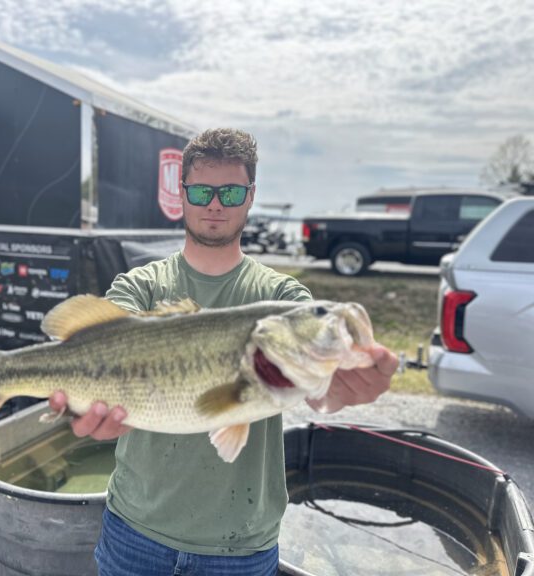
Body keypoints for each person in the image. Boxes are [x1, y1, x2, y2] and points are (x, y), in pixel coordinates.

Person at [49, 128, 398, 576]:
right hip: (134, 532)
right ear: (182, 195)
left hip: (241, 549)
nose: (215, 203)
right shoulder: (140, 285)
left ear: (250, 197)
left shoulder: (284, 296)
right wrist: (87, 411)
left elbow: (317, 395)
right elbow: (100, 340)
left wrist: (342, 391)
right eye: (201, 190)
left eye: (231, 192)